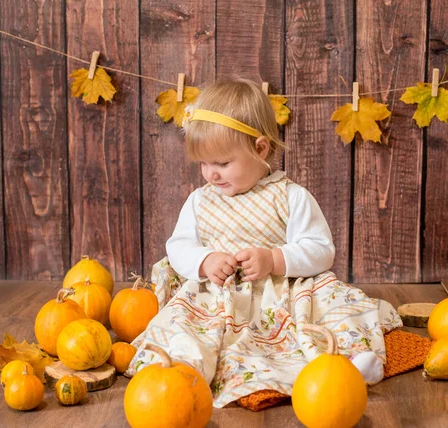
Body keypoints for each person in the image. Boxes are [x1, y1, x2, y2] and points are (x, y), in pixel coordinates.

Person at [125, 78, 402, 408]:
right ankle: (184, 370)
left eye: (222, 163)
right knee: (187, 323)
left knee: (335, 308)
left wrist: (275, 259)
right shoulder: (200, 201)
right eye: (204, 163)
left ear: (260, 148)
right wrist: (205, 260)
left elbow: (321, 249)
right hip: (220, 294)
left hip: (285, 290)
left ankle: (350, 360)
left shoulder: (289, 196)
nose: (211, 174)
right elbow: (179, 246)